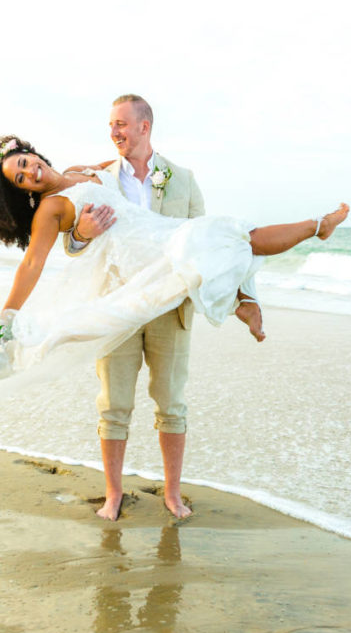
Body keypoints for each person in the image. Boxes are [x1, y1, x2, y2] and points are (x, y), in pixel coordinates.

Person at [0, 134, 350, 519]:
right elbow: (32, 265)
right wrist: (7, 314)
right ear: (23, 192)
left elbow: (130, 158)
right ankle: (113, 495)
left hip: (162, 239)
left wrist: (130, 139)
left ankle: (309, 233)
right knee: (114, 405)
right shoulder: (50, 209)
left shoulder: (81, 170)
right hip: (135, 271)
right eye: (20, 179)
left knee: (234, 233)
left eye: (24, 163)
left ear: (33, 153)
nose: (29, 173)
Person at [62, 94, 263, 522]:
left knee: (171, 403)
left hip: (170, 309)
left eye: (121, 124)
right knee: (113, 405)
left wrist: (240, 299)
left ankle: (172, 493)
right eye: (110, 125)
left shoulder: (184, 180)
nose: (114, 131)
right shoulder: (96, 178)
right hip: (114, 306)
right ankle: (112, 494)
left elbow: (208, 243)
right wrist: (80, 232)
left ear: (144, 126)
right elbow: (72, 244)